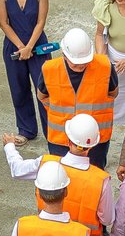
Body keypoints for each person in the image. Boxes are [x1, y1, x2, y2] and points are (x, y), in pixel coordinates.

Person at [3, 112, 115, 236]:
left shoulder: (46, 163)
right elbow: (107, 219)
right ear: (92, 145)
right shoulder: (101, 179)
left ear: (68, 140)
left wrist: (9, 146)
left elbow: (18, 169)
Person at [40, 27, 118, 167]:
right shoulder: (49, 69)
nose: (81, 65)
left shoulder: (105, 66)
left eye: (84, 61)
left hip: (94, 140)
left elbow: (113, 93)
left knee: (93, 178)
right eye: (76, 63)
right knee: (61, 177)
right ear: (64, 54)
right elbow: (42, 96)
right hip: (61, 140)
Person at [0, 0, 50, 144]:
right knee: (19, 89)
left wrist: (29, 47)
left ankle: (51, 131)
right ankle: (26, 130)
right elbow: (4, 23)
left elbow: (40, 22)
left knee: (44, 89)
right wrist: (21, 47)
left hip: (37, 46)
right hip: (14, 48)